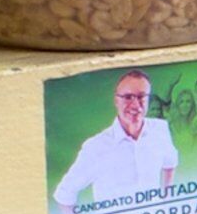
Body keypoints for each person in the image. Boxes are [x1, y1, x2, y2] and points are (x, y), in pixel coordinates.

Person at [54, 71, 179, 207]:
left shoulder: (160, 129)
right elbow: (64, 194)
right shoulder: (95, 147)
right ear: (116, 101)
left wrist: (167, 203)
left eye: (141, 96)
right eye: (128, 97)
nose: (136, 105)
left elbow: (170, 162)